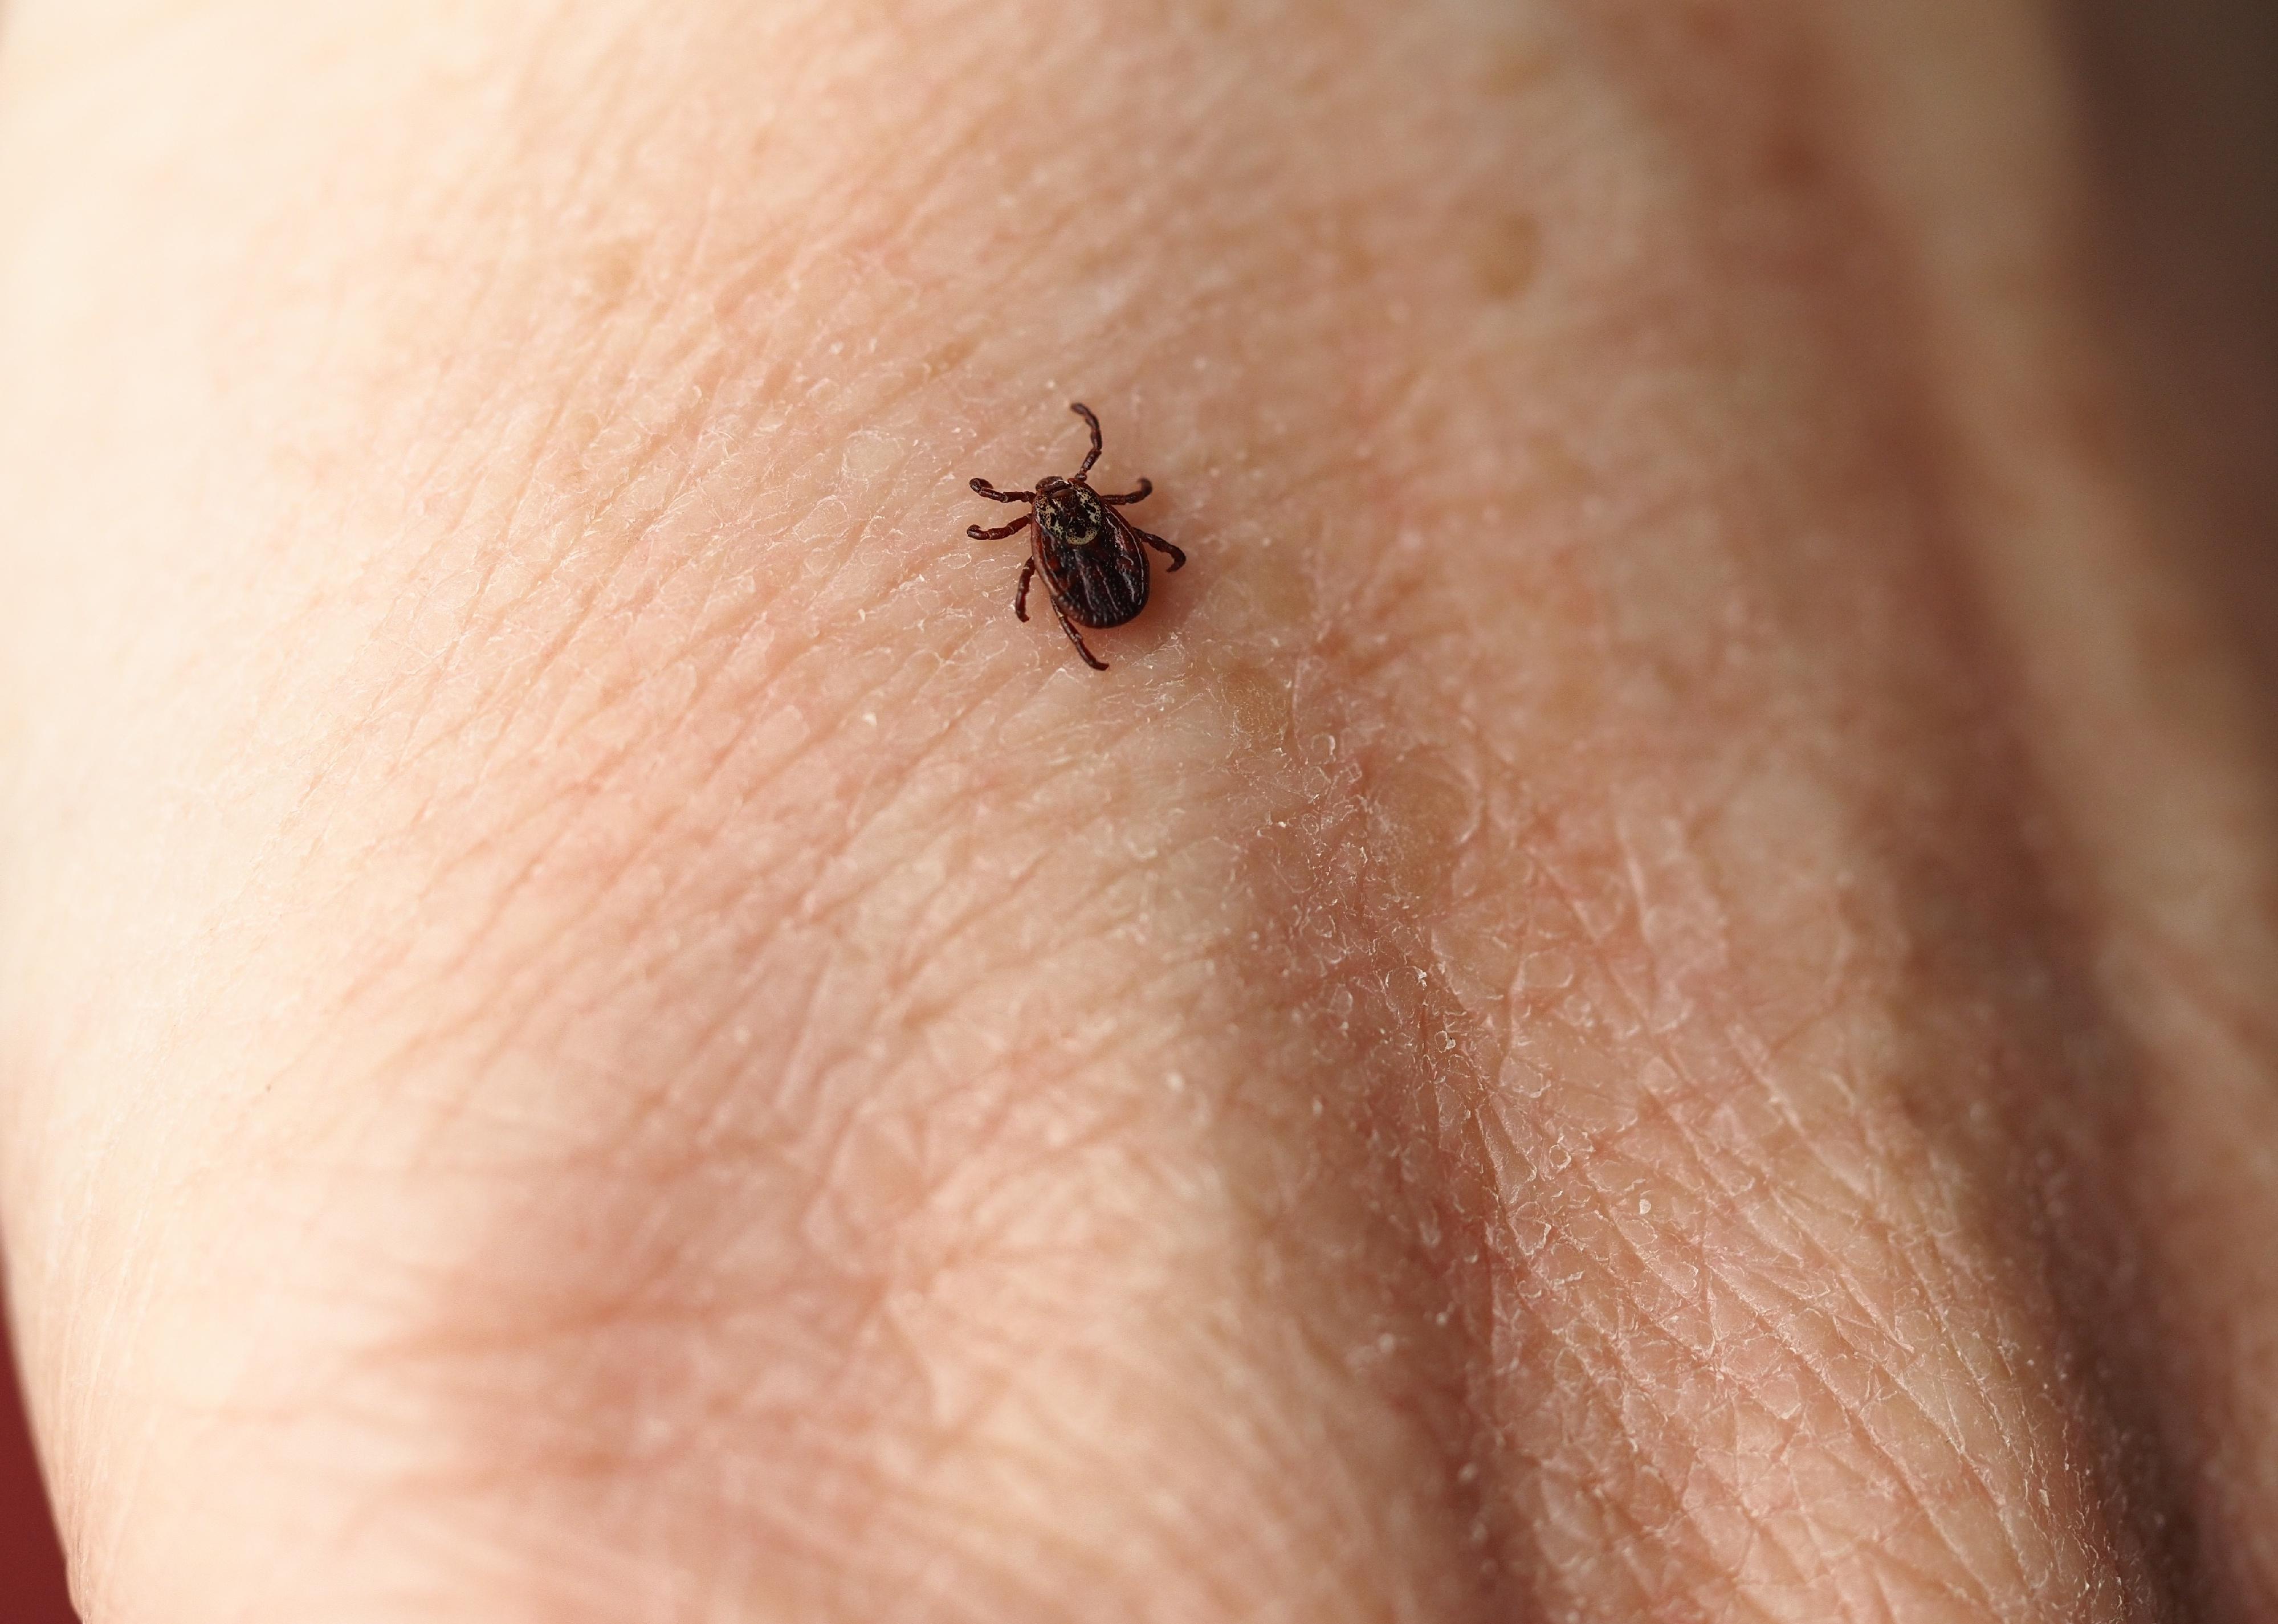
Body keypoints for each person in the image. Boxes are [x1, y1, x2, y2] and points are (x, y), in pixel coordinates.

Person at [1, 2, 2273, 1618]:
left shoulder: (1071, 547)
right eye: (1076, 523)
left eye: (1080, 520)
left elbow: (1100, 579)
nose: (1081, 531)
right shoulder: (1104, 538)